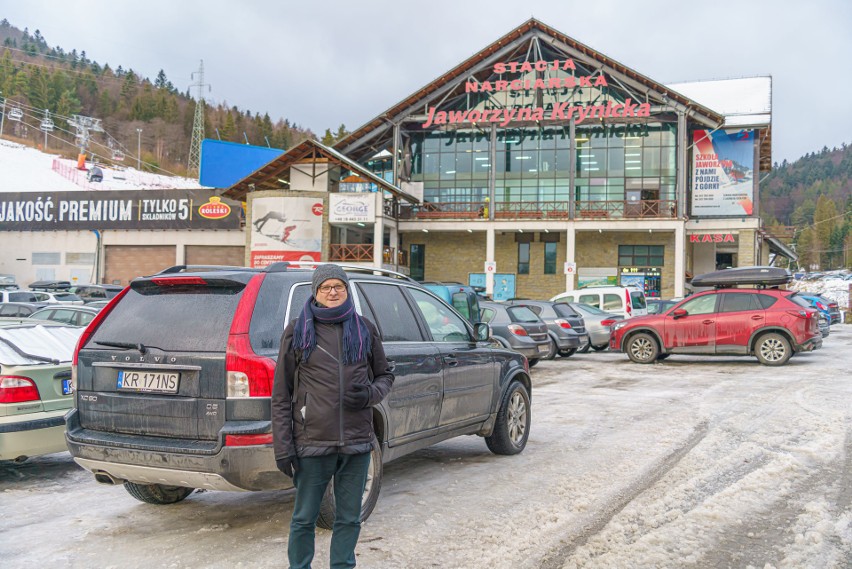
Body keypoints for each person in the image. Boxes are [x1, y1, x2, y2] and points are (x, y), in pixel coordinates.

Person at [271, 264, 394, 569]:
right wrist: (283, 446)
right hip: (312, 442)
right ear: (316, 292)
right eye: (326, 287)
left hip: (357, 442)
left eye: (339, 286)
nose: (333, 292)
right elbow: (281, 394)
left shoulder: (364, 328)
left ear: (347, 289)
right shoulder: (298, 331)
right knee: (304, 518)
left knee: (349, 518)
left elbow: (385, 375)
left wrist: (369, 395)